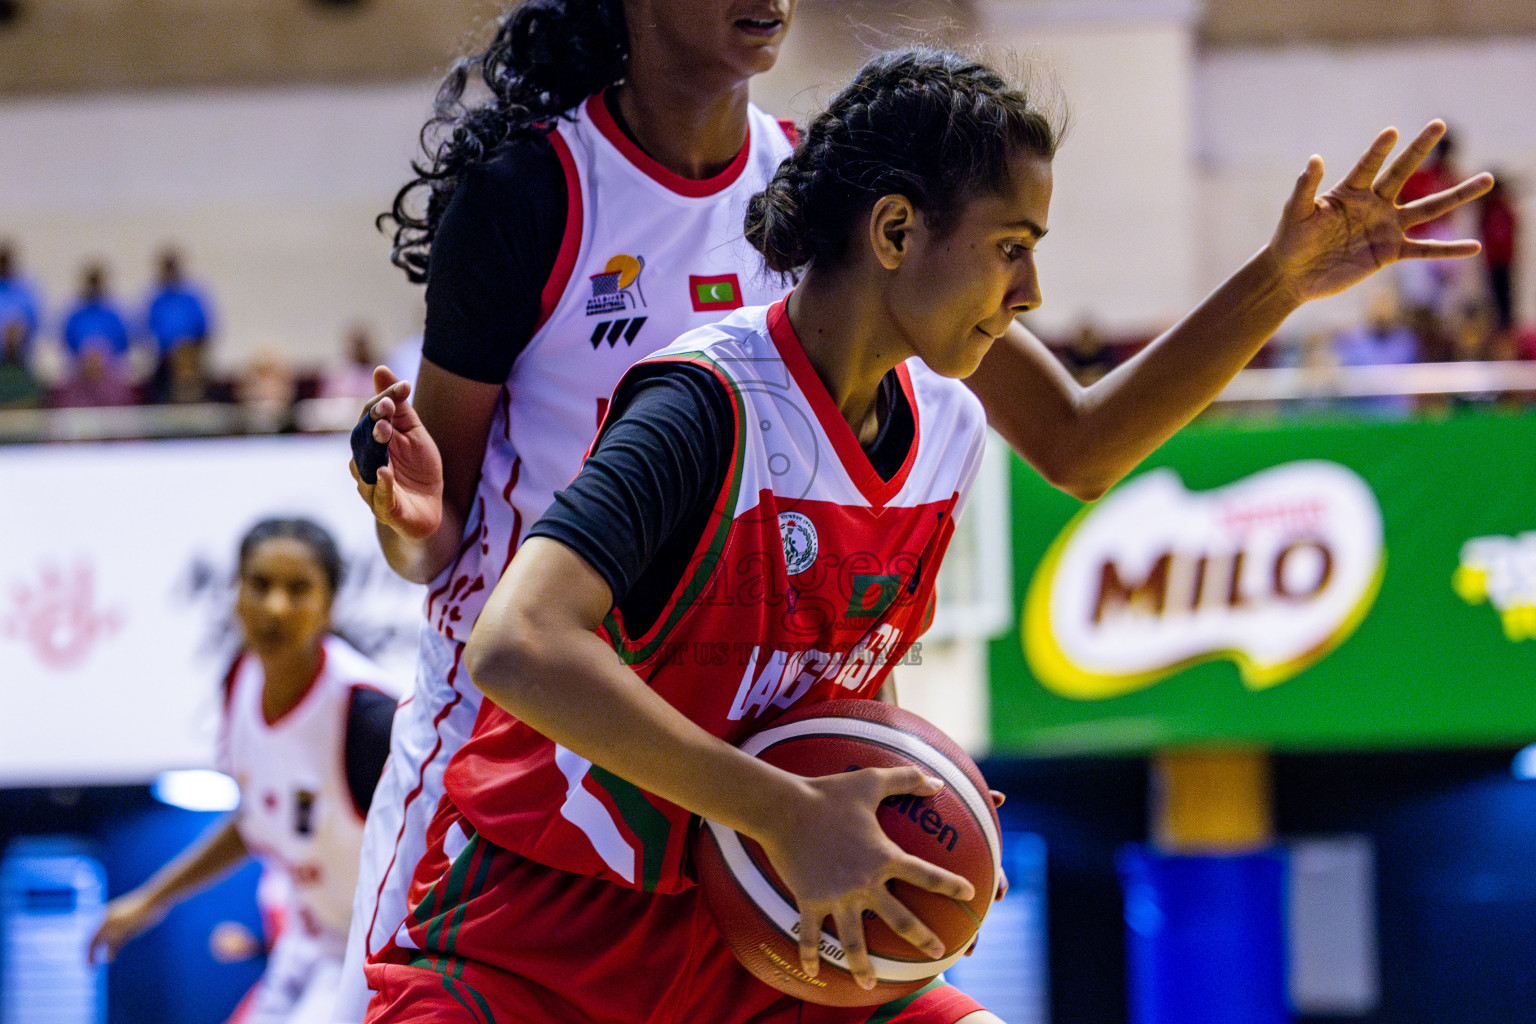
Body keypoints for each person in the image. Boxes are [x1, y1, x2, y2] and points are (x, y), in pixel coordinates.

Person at [358, 45, 1492, 1024]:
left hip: (749, 929)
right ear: (895, 231)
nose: (1035, 289)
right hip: (537, 937)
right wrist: (789, 809)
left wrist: (909, 790)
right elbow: (517, 646)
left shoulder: (946, 423)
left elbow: (1076, 455)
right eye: (1012, 245)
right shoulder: (706, 402)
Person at [338, 3, 801, 1017]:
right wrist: (409, 519)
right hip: (502, 731)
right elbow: (438, 530)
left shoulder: (816, 193)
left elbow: (1070, 438)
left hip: (708, 744)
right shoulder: (534, 194)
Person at [89, 518, 396, 1024]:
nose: (275, 606)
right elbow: (254, 820)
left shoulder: (367, 717)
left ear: (330, 604)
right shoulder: (240, 678)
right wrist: (150, 900)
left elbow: (436, 850)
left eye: (298, 589)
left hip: (377, 953)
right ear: (234, 593)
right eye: (260, 585)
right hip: (309, 945)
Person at [143, 245, 215, 404]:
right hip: (165, 358)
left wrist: (190, 349)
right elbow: (148, 329)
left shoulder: (192, 296)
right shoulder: (156, 299)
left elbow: (205, 326)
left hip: (192, 355)